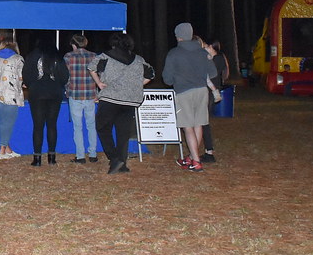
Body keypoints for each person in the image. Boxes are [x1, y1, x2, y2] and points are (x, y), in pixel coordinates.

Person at [88, 33, 154, 174]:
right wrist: (137, 85)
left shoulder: (106, 56)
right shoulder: (138, 60)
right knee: (123, 133)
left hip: (110, 98)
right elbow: (151, 74)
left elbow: (91, 67)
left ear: (113, 43)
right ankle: (122, 164)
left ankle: (114, 159)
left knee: (102, 128)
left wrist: (99, 83)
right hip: (130, 100)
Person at [163, 23, 216, 173]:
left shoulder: (174, 53)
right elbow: (212, 73)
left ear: (178, 36)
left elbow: (167, 79)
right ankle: (192, 157)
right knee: (198, 124)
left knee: (188, 127)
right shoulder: (202, 52)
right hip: (202, 91)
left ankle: (196, 162)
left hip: (184, 92)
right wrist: (209, 58)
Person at [22, 39, 69, 166]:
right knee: (52, 125)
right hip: (54, 93)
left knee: (38, 126)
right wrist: (57, 84)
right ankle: (52, 157)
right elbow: (65, 76)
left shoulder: (32, 56)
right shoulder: (57, 56)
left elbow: (26, 75)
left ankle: (37, 158)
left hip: (37, 93)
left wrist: (32, 85)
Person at [0, 34, 24, 159]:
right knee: (8, 123)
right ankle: (2, 150)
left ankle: (8, 149)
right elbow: (22, 77)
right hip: (12, 95)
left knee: (3, 122)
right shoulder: (18, 59)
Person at [64, 34, 98, 164]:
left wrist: (67, 89)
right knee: (91, 125)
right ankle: (93, 154)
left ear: (73, 44)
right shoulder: (94, 56)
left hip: (75, 94)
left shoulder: (68, 57)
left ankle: (80, 156)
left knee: (77, 127)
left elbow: (66, 76)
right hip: (90, 94)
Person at [200, 38, 229, 162]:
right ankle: (208, 150)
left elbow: (209, 74)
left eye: (206, 46)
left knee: (204, 121)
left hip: (210, 91)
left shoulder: (217, 59)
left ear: (211, 46)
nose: (204, 48)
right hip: (210, 91)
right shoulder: (218, 58)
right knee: (203, 121)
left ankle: (209, 151)